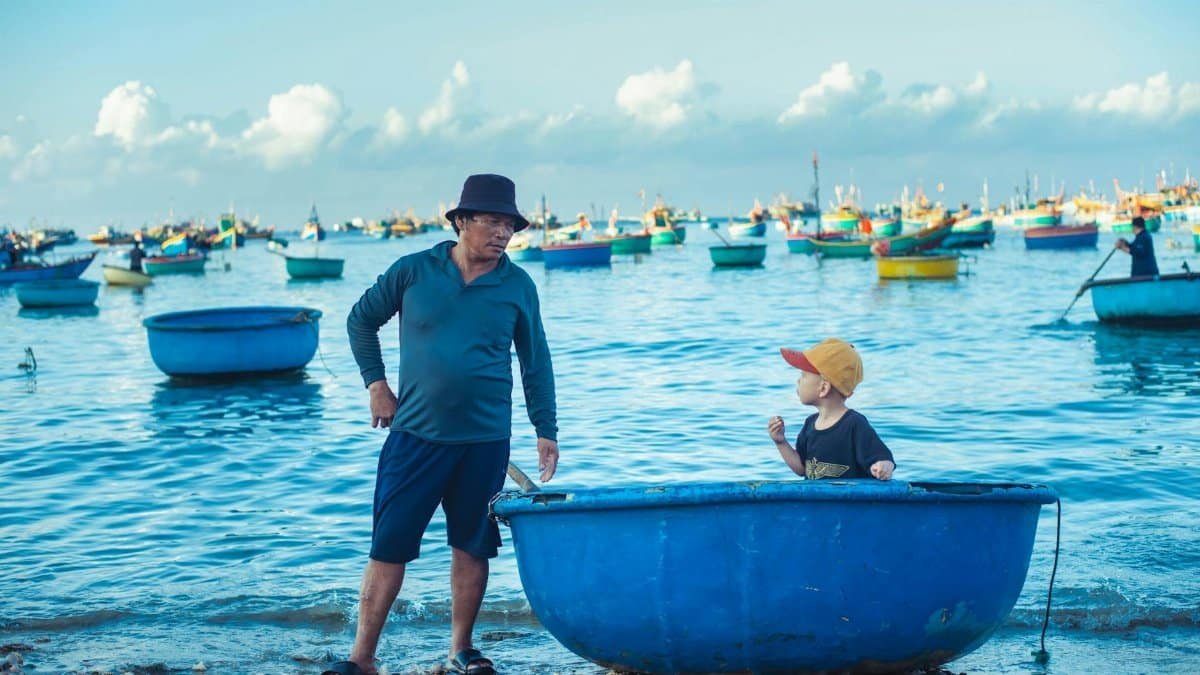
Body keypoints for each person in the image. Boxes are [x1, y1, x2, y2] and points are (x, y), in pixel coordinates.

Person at [334, 174, 559, 675]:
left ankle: (460, 650)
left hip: (484, 442)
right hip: (414, 436)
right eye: (492, 222)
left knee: (472, 545)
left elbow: (535, 361)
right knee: (388, 546)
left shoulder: (518, 286)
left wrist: (546, 429)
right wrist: (376, 383)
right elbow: (360, 320)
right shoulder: (414, 271)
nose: (502, 233)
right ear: (461, 222)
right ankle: (362, 658)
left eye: (510, 225)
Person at [767, 338, 895, 481]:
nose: (798, 381)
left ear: (823, 388)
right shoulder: (810, 424)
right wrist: (781, 442)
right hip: (817, 501)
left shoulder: (854, 424)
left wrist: (883, 466)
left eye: (803, 376)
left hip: (846, 501)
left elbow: (882, 457)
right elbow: (802, 469)